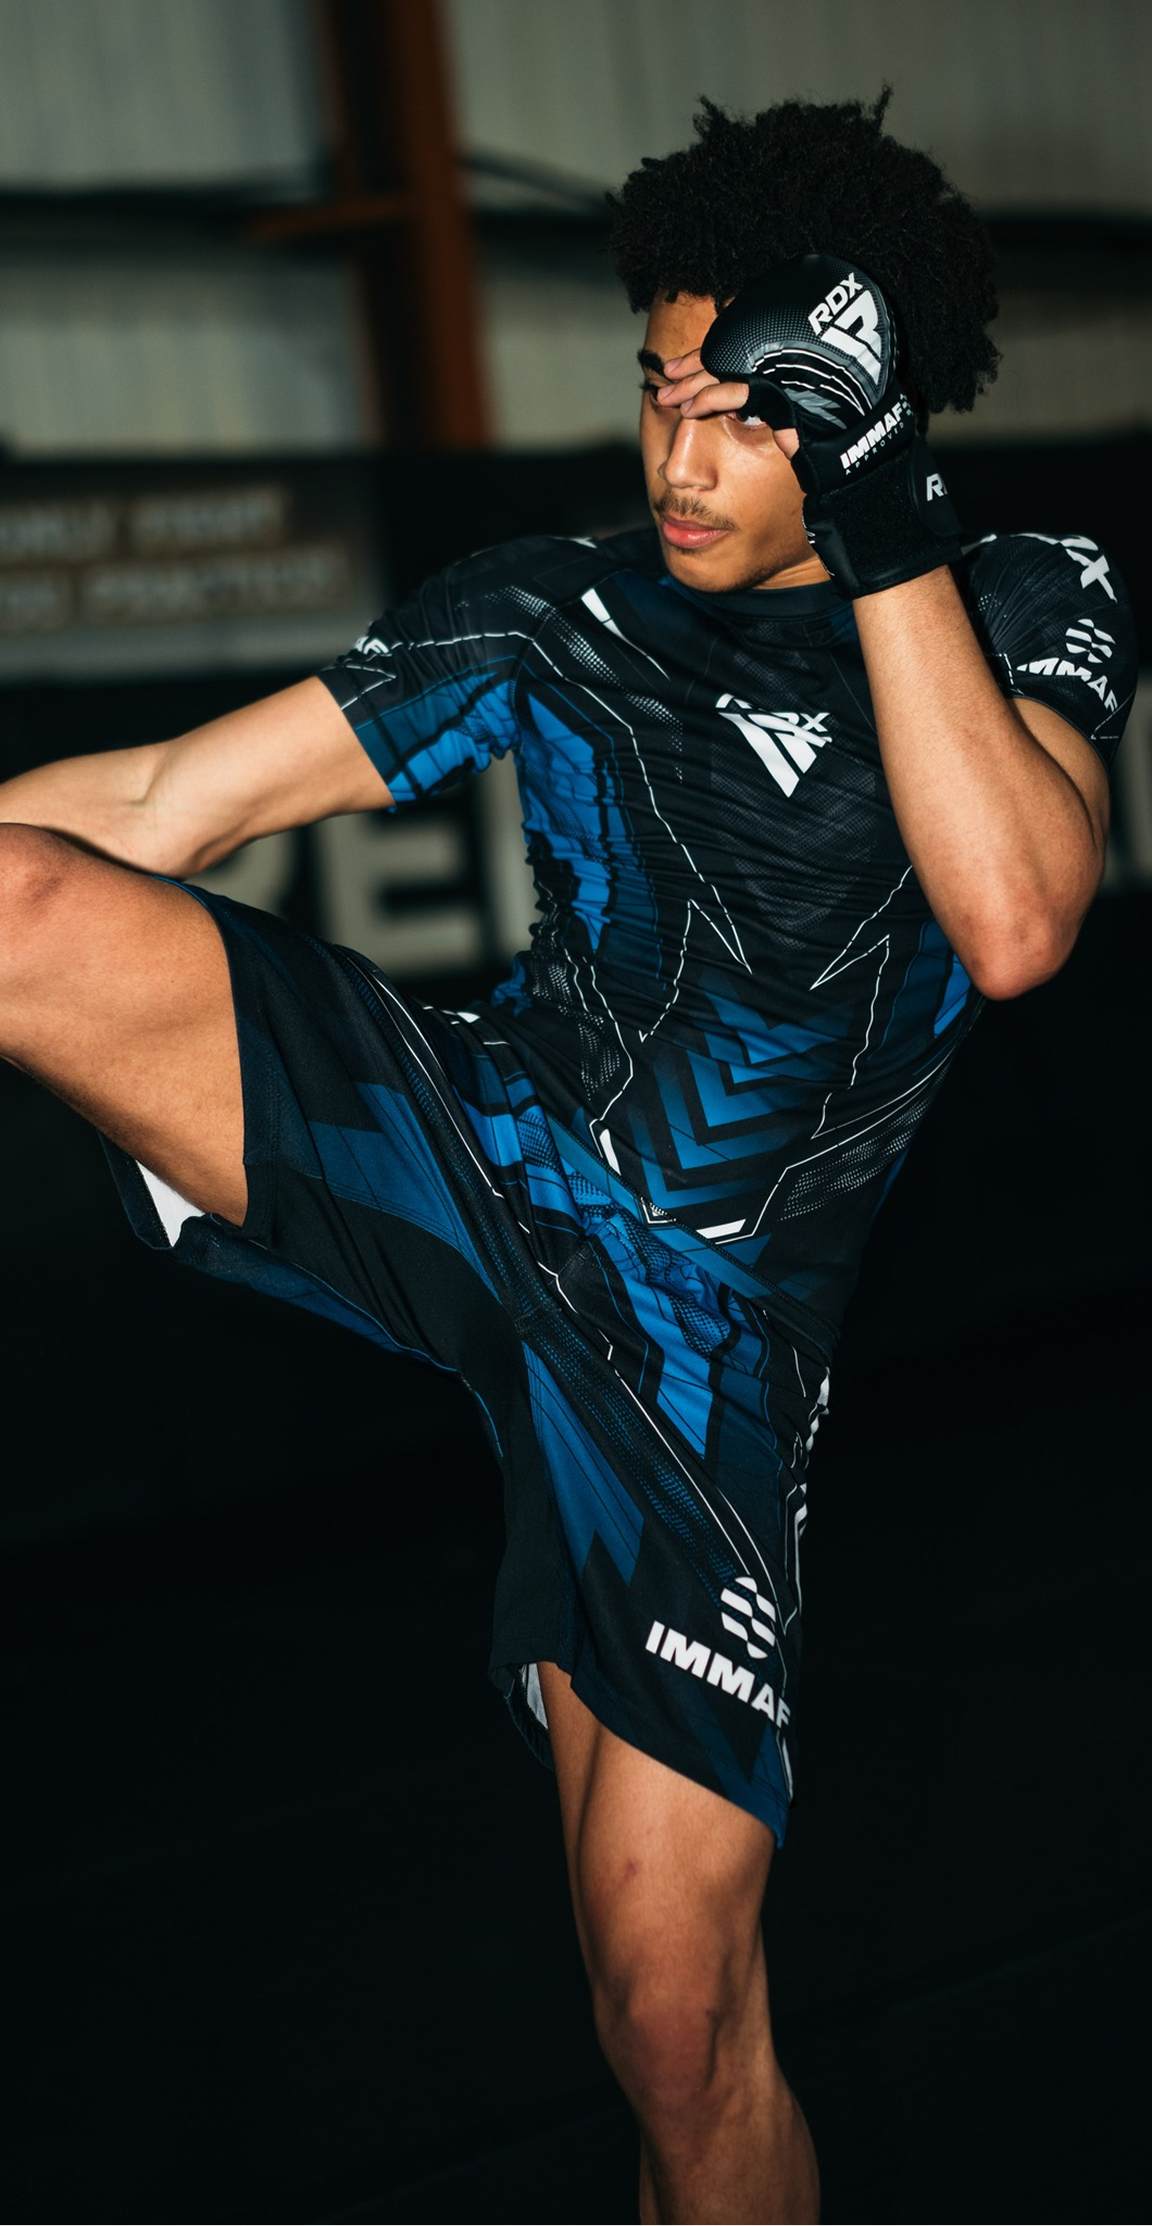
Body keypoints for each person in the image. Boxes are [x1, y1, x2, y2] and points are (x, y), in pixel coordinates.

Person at [0, 90, 1135, 2226]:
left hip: (706, 1339)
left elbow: (1015, 918)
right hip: (474, 1150)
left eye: (745, 410)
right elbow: (161, 802)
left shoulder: (1021, 596)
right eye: (657, 392)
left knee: (675, 2023)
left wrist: (882, 507)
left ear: (864, 411)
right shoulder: (555, 607)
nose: (679, 458)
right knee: (18, 908)